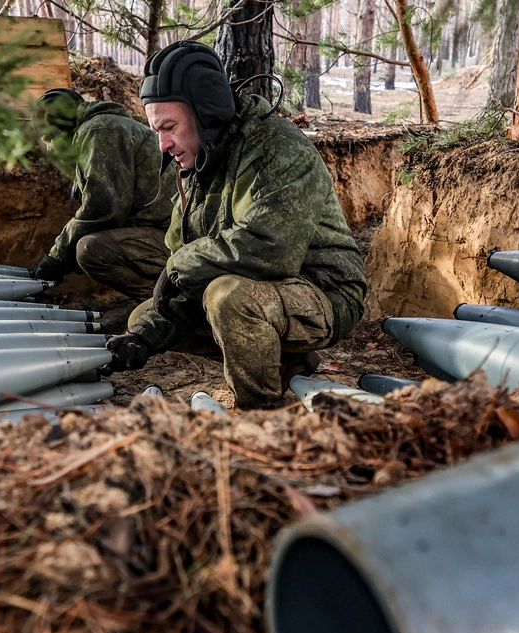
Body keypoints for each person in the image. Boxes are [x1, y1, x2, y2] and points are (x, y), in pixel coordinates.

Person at [104, 41, 368, 410]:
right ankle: (286, 362)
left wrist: (179, 267)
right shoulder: (200, 163)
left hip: (324, 291)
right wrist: (143, 337)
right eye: (155, 131)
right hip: (263, 290)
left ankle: (260, 412)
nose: (162, 144)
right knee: (146, 318)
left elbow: (268, 248)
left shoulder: (277, 149)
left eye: (169, 127)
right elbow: (193, 263)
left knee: (228, 297)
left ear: (207, 113)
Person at [30, 88, 174, 301]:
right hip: (165, 232)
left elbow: (104, 210)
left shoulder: (99, 130)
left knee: (90, 249)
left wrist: (57, 259)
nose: (50, 149)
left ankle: (173, 309)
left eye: (50, 138)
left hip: (175, 238)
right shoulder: (103, 127)